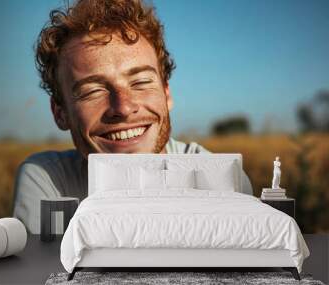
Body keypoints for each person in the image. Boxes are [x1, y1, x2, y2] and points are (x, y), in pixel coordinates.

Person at [13, 0, 253, 234]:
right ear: (60, 113)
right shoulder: (48, 180)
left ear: (166, 94)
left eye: (140, 82)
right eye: (92, 91)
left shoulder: (221, 177)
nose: (124, 107)